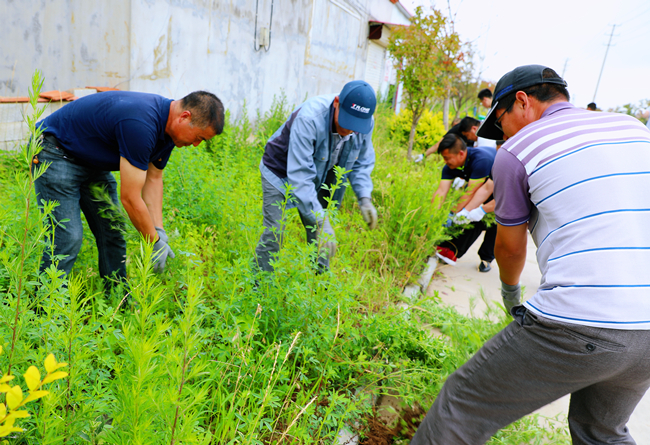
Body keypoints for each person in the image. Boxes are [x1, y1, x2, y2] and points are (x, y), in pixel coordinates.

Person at [411, 65, 650, 444]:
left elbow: (510, 246)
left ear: (522, 101)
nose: (503, 135)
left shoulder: (518, 149)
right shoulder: (633, 129)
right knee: (602, 432)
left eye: (500, 122)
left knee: (461, 406)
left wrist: (511, 296)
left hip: (584, 320)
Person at [34, 90, 225, 287]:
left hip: (88, 159)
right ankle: (46, 301)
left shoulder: (169, 131)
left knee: (114, 231)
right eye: (199, 137)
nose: (196, 144)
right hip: (54, 151)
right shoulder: (141, 124)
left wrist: (158, 230)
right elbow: (130, 198)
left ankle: (117, 297)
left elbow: (153, 178)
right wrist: (153, 242)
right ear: (184, 117)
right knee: (67, 238)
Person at [255, 80, 378, 273]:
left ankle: (317, 282)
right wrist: (321, 221)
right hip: (280, 170)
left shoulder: (364, 122)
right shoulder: (310, 118)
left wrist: (364, 197)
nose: (349, 130)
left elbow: (362, 161)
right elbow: (301, 176)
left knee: (321, 234)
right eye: (346, 121)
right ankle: (260, 283)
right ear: (336, 103)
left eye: (355, 126)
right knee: (274, 233)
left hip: (320, 173)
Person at [430, 134, 496, 272]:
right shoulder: (449, 167)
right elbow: (441, 191)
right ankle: (450, 250)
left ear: (461, 153)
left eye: (447, 158)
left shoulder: (481, 160)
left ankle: (486, 258)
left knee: (494, 221)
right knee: (473, 217)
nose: (445, 161)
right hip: (484, 188)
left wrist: (454, 213)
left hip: (500, 186)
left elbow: (471, 191)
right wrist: (434, 215)